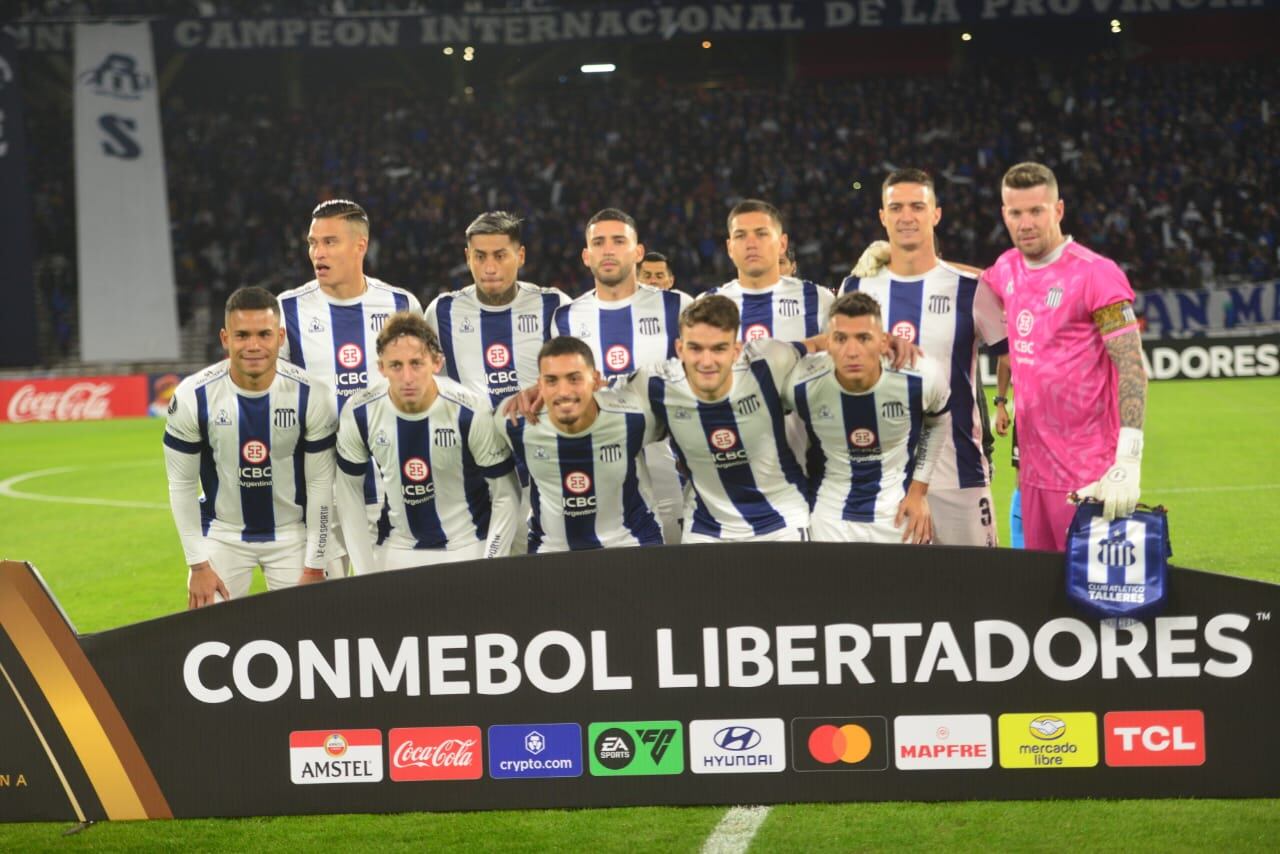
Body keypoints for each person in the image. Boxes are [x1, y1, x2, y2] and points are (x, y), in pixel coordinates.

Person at [982, 161, 1147, 551]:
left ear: (1058, 210)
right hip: (1032, 478)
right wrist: (897, 260)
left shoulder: (1096, 274)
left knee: (1093, 601)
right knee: (1043, 602)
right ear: (1004, 214)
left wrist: (1129, 459)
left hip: (1088, 476)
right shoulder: (1006, 268)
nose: (1026, 223)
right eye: (1016, 212)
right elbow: (969, 280)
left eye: (1036, 211)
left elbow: (1132, 369)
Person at [840, 169, 1008, 547]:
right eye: (895, 207)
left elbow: (1017, 355)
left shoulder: (971, 289)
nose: (906, 216)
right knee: (897, 603)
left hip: (959, 475)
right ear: (882, 217)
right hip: (883, 481)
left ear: (936, 214)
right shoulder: (857, 288)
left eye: (918, 206)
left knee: (977, 600)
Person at [163, 287, 337, 607]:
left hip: (292, 534)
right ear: (225, 338)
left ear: (280, 337)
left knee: (309, 632)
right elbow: (181, 484)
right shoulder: (192, 396)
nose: (253, 345)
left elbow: (320, 483)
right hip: (223, 533)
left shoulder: (312, 395)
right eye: (242, 335)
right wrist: (198, 564)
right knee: (207, 633)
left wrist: (314, 564)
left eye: (264, 334)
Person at [277, 200, 423, 559]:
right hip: (316, 495)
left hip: (392, 489)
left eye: (329, 242)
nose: (317, 253)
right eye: (313, 243)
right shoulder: (285, 310)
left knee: (393, 606)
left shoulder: (400, 304)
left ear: (361, 245)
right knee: (322, 611)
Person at [335, 312, 519, 573]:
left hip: (468, 545)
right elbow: (348, 493)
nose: (407, 377)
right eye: (396, 365)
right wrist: (364, 573)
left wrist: (491, 561)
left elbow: (507, 493)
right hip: (397, 548)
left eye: (416, 363)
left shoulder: (470, 410)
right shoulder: (359, 412)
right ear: (381, 368)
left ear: (436, 362)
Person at [552, 209, 692, 543]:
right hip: (604, 469)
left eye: (619, 241)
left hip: (670, 463)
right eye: (599, 243)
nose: (609, 250)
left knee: (679, 574)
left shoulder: (677, 306)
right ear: (587, 256)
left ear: (638, 251)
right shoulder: (566, 319)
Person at [627, 296, 812, 543]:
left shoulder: (769, 361)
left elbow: (818, 346)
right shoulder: (654, 384)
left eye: (718, 349)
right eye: (695, 348)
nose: (706, 361)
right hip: (706, 526)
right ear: (680, 348)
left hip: (782, 520)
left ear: (736, 350)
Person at [786, 292, 950, 544]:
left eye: (864, 338)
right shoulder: (800, 384)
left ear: (884, 342)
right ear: (827, 343)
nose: (852, 351)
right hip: (829, 518)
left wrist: (918, 490)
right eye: (841, 339)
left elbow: (938, 420)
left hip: (898, 517)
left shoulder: (921, 376)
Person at [501, 336, 665, 553]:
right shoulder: (511, 422)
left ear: (596, 381)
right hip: (551, 550)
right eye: (552, 380)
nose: (564, 392)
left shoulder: (636, 416)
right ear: (539, 385)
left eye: (574, 379)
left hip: (631, 543)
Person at [424, 211, 570, 408]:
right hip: (473, 437)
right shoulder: (441, 311)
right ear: (468, 258)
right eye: (480, 257)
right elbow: (428, 382)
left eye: (500, 256)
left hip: (538, 434)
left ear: (521, 256)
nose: (490, 268)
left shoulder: (554, 305)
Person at [704, 199, 834, 343]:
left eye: (761, 234)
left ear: (782, 244)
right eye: (740, 236)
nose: (751, 244)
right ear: (729, 248)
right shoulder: (707, 305)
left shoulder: (819, 300)